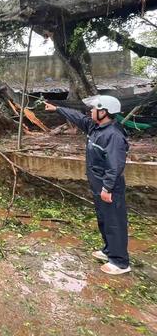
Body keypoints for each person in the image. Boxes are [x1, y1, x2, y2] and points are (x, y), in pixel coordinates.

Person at [45, 95, 131, 275]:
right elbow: (78, 118)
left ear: (104, 112)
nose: (90, 112)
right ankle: (109, 250)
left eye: (94, 109)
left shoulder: (113, 135)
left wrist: (107, 188)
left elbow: (115, 166)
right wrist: (57, 109)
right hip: (98, 184)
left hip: (110, 187)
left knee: (114, 222)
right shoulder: (95, 127)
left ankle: (120, 262)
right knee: (104, 219)